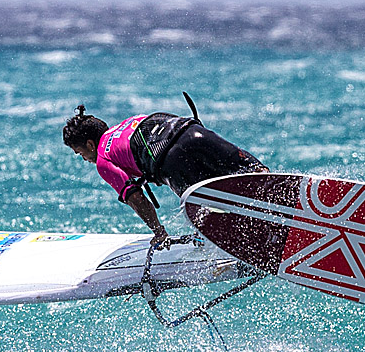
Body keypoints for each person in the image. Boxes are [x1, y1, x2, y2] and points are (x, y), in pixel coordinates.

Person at [62, 98, 268, 243]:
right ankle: (275, 190)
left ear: (90, 144)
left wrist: (159, 232)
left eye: (80, 153)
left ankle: (251, 238)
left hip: (170, 160)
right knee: (251, 171)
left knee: (208, 211)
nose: (84, 158)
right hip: (191, 131)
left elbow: (136, 199)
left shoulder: (102, 159)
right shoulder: (126, 124)